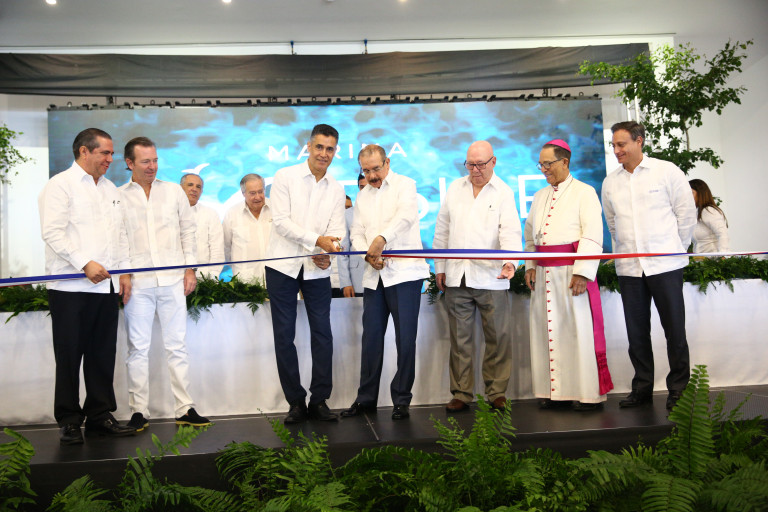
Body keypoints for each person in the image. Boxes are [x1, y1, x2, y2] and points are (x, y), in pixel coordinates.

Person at [38, 128, 137, 444]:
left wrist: (124, 273)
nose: (110, 159)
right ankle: (69, 420)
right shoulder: (59, 185)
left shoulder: (110, 189)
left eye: (111, 153)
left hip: (106, 288)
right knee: (69, 357)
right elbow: (52, 233)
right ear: (84, 151)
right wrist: (84, 263)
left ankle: (100, 415)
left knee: (102, 355)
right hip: (69, 289)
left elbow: (120, 235)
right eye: (104, 153)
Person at [602, 121, 697, 410]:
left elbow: (686, 216)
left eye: (621, 144)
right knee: (636, 333)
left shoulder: (666, 171)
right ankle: (642, 388)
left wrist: (675, 249)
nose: (616, 150)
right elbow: (613, 224)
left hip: (665, 265)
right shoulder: (610, 182)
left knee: (674, 330)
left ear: (639, 141)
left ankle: (678, 389)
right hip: (629, 268)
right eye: (613, 145)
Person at [120, 136, 210, 431]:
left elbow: (188, 231)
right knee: (137, 349)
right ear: (129, 163)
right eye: (145, 161)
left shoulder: (173, 192)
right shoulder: (118, 196)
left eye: (155, 160)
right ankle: (138, 411)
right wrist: (123, 274)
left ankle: (185, 408)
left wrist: (190, 269)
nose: (152, 166)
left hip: (173, 281)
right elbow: (117, 239)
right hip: (138, 283)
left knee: (177, 346)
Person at [340, 145, 430, 420]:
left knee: (405, 339)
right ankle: (365, 399)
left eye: (376, 169)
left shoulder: (406, 185)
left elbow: (405, 218)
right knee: (371, 339)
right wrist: (367, 254)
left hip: (405, 275)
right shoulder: (362, 195)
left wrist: (381, 240)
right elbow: (356, 232)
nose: (372, 176)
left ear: (387, 162)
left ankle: (401, 399)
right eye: (366, 171)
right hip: (374, 276)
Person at [432, 140, 522, 412]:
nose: (475, 170)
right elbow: (442, 230)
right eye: (470, 164)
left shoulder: (503, 192)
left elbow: (510, 231)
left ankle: (496, 392)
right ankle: (461, 393)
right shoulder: (454, 188)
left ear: (493, 162)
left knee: (497, 338)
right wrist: (440, 267)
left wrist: (510, 263)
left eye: (481, 164)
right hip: (457, 275)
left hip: (492, 277)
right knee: (460, 340)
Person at [524, 139, 613, 411]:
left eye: (548, 164)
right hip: (543, 275)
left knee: (577, 335)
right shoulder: (539, 195)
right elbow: (530, 235)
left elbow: (592, 234)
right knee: (546, 334)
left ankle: (587, 394)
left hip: (570, 274)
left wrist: (583, 272)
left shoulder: (585, 192)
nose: (543, 169)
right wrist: (530, 265)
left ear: (564, 162)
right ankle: (555, 393)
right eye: (540, 164)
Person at [265, 124, 346, 424]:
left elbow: (338, 230)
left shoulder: (336, 188)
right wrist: (317, 242)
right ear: (309, 147)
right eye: (319, 147)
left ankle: (320, 400)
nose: (324, 154)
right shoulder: (285, 176)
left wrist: (328, 251)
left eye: (330, 149)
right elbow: (281, 222)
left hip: (317, 268)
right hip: (281, 266)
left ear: (335, 152)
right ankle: (295, 402)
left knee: (322, 333)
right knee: (284, 336)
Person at [222, 174, 272, 284]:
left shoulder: (277, 209)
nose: (258, 197)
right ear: (243, 193)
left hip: (277, 278)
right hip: (246, 281)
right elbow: (226, 248)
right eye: (252, 193)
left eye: (260, 192)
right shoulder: (232, 214)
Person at [180, 173, 224, 279]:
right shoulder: (169, 213)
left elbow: (217, 249)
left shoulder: (210, 214)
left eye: (198, 187)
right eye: (190, 185)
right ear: (180, 188)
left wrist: (213, 277)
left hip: (203, 277)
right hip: (174, 277)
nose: (194, 189)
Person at [337, 175, 368, 297]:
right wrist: (345, 282)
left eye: (368, 186)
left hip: (383, 275)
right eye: (362, 187)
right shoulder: (348, 214)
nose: (365, 190)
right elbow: (342, 251)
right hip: (357, 278)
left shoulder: (386, 211)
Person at [689, 179, 729, 254]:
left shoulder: (708, 210)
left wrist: (723, 255)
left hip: (713, 259)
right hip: (700, 259)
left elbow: (722, 234)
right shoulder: (695, 212)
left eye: (691, 193)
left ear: (700, 193)